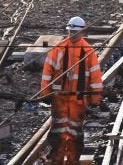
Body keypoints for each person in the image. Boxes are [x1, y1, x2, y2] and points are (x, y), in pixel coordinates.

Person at [40, 16, 103, 165]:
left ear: (82, 32)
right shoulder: (58, 49)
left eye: (75, 32)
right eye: (70, 32)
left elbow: (95, 77)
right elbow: (47, 73)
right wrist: (45, 94)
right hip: (60, 100)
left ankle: (72, 161)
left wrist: (95, 99)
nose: (72, 35)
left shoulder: (88, 51)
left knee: (75, 133)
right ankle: (57, 160)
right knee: (58, 132)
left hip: (78, 101)